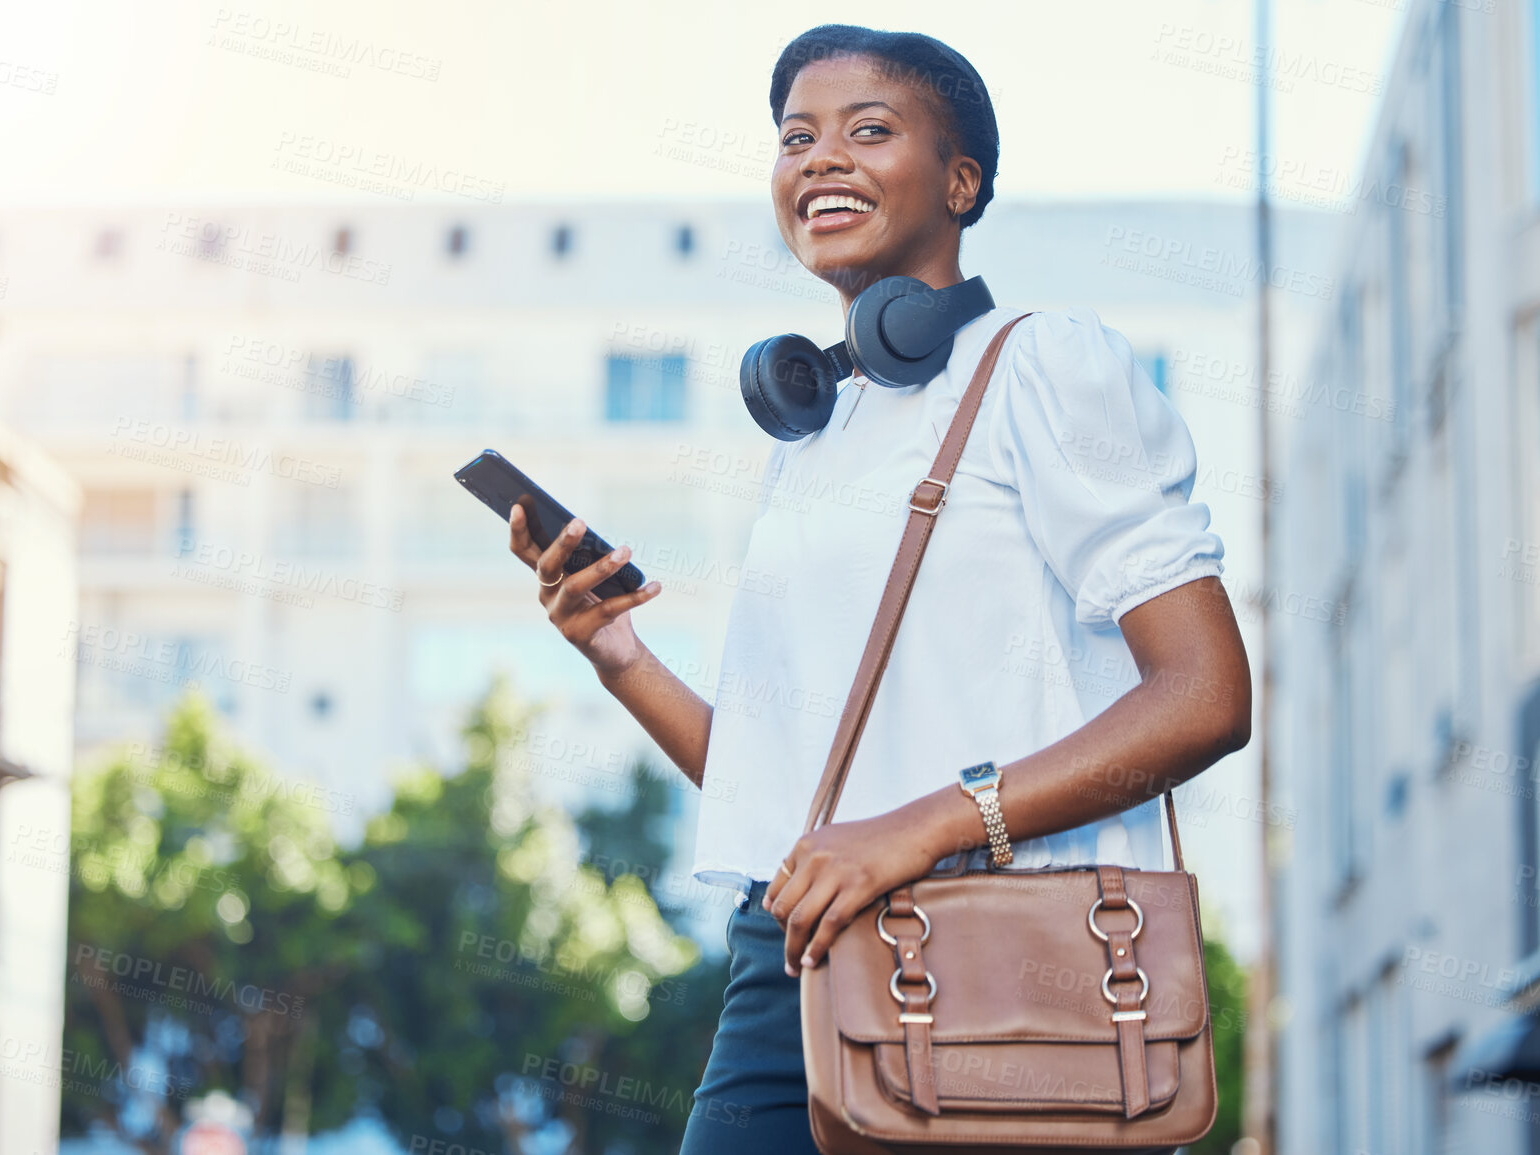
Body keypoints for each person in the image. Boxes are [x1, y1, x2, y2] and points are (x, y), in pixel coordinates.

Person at [505, 24, 1252, 1154]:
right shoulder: (815, 432)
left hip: (1004, 962)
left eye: (868, 130)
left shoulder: (1043, 366)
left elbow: (1205, 695)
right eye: (795, 137)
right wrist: (618, 656)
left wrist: (924, 826)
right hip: (791, 957)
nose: (819, 159)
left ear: (962, 181)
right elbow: (789, 795)